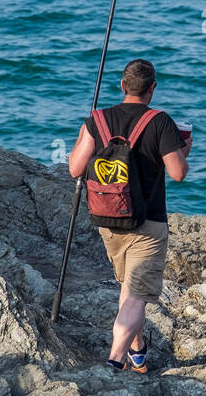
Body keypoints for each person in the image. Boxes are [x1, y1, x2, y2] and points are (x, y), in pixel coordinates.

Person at [68, 59, 190, 372]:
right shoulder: (160, 122)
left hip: (107, 219)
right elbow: (178, 173)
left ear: (122, 86)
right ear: (153, 89)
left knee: (128, 286)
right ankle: (115, 360)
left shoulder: (97, 119)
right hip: (147, 224)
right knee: (136, 296)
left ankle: (138, 350)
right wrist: (183, 150)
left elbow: (74, 169)